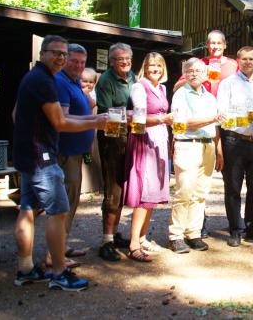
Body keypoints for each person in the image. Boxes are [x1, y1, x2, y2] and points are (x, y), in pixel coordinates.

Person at [12, 35, 106, 291]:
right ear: (42, 53)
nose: (61, 58)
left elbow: (15, 114)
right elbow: (61, 122)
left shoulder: (37, 77)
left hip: (27, 154)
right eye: (56, 53)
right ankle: (58, 273)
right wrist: (97, 121)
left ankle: (25, 269)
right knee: (58, 211)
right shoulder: (44, 80)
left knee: (28, 209)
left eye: (63, 54)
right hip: (41, 157)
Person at [173, 30, 238, 238]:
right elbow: (176, 89)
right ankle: (183, 232)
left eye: (219, 43)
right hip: (196, 129)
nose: (215, 46)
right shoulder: (197, 67)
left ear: (225, 45)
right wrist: (194, 76)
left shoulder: (233, 66)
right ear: (207, 46)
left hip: (220, 127)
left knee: (206, 188)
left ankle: (201, 230)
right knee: (186, 189)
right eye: (211, 43)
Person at [168, 58, 223, 253]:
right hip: (187, 145)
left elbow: (215, 128)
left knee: (200, 193)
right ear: (184, 73)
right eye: (190, 70)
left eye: (199, 71)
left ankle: (193, 233)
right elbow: (182, 123)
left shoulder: (210, 97)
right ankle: (176, 235)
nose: (194, 74)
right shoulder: (180, 94)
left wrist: (219, 149)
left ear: (206, 74)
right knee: (184, 191)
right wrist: (212, 118)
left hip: (207, 146)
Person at [122, 53, 173, 262]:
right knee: (145, 192)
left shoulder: (161, 88)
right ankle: (133, 244)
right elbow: (139, 118)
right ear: (145, 67)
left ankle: (142, 237)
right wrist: (162, 118)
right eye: (151, 65)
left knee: (153, 192)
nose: (155, 69)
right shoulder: (139, 86)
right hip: (144, 140)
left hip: (160, 139)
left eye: (159, 66)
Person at [216, 46, 253, 247]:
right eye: (244, 58)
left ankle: (252, 226)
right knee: (233, 187)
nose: (248, 62)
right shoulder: (227, 83)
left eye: (252, 59)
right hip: (234, 140)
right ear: (238, 60)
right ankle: (235, 229)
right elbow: (221, 111)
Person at [51, 44, 94, 267]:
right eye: (74, 61)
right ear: (65, 59)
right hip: (65, 152)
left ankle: (62, 246)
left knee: (71, 201)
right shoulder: (60, 82)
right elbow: (64, 120)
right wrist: (97, 121)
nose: (78, 66)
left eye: (82, 62)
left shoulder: (75, 82)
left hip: (76, 153)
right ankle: (54, 255)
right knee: (64, 203)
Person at [95, 43, 136, 261]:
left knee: (123, 187)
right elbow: (105, 114)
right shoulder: (106, 80)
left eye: (128, 58)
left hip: (130, 137)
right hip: (112, 140)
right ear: (111, 61)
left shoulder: (133, 77)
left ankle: (114, 233)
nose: (126, 62)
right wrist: (128, 115)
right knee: (113, 189)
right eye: (121, 58)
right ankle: (106, 241)